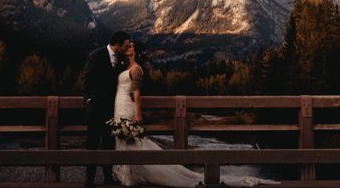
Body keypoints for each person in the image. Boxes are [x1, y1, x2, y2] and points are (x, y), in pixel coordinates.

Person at [113, 41, 279, 187]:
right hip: (120, 106)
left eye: (131, 46)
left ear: (136, 52)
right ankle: (128, 174)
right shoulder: (126, 67)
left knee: (132, 141)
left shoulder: (137, 69)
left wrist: (139, 114)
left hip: (128, 107)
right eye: (128, 46)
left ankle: (138, 175)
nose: (128, 47)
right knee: (126, 141)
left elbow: (136, 93)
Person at [83, 30, 131, 187]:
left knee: (109, 142)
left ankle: (108, 178)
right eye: (125, 45)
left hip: (112, 109)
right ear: (117, 44)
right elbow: (87, 78)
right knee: (92, 143)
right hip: (96, 108)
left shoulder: (122, 59)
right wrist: (89, 100)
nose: (127, 47)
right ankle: (89, 179)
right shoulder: (96, 55)